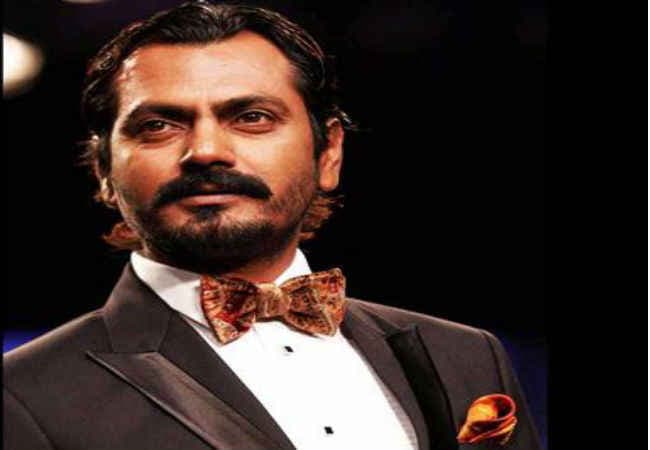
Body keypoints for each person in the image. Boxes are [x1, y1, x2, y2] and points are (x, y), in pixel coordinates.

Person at [3, 2, 543, 449]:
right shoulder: (23, 395)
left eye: (252, 117)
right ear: (103, 172)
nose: (206, 150)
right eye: (159, 125)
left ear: (328, 153)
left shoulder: (467, 356)